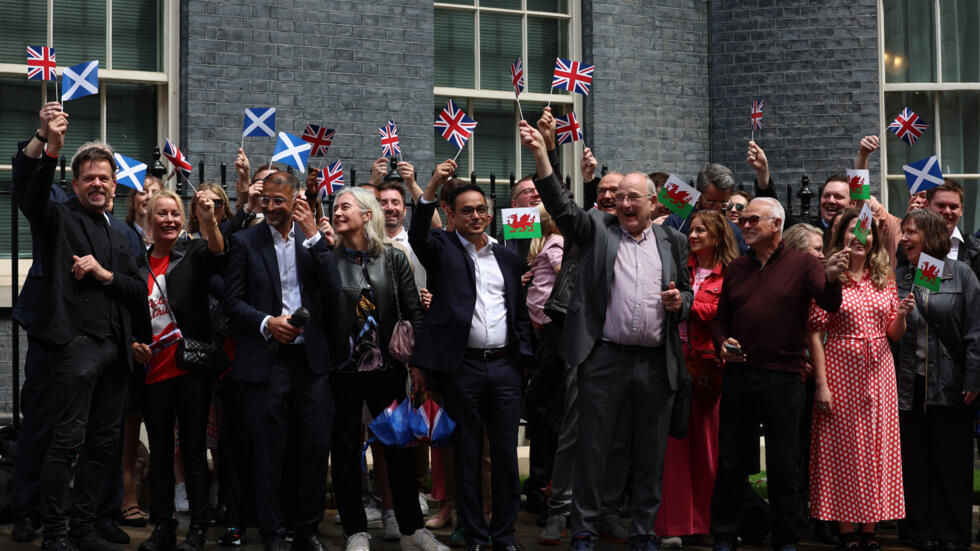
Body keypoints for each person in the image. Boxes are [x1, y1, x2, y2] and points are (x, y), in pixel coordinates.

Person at [519, 120, 693, 551]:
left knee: (648, 453)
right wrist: (543, 154)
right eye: (619, 196)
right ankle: (582, 527)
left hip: (655, 362)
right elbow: (560, 207)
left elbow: (687, 292)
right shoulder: (598, 230)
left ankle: (642, 532)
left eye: (635, 197)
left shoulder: (673, 242)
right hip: (605, 358)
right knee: (592, 448)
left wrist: (681, 303)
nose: (624, 202)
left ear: (654, 204)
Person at [17, 111, 147, 551]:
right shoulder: (57, 218)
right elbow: (31, 198)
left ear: (115, 185)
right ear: (75, 185)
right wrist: (50, 147)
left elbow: (137, 289)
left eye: (104, 178)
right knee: (66, 441)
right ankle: (55, 534)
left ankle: (85, 530)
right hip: (75, 347)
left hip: (116, 353)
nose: (97, 184)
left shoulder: (123, 234)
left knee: (102, 445)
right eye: (89, 178)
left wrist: (104, 275)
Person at [710, 197, 850, 551]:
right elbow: (721, 318)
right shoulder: (738, 268)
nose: (745, 225)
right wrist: (721, 343)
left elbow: (829, 303)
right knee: (731, 461)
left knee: (784, 462)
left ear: (776, 224)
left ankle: (785, 538)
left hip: (783, 377)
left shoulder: (803, 264)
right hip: (740, 375)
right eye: (742, 220)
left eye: (753, 219)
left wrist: (832, 277)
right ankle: (725, 534)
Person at [409, 158, 534, 551]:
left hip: (504, 370)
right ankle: (476, 535)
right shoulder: (442, 248)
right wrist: (430, 186)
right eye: (467, 210)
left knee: (505, 459)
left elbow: (520, 312)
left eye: (482, 209)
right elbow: (416, 234)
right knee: (464, 456)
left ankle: (505, 535)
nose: (476, 216)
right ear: (451, 213)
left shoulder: (508, 259)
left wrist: (523, 357)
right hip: (461, 368)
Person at [224, 171, 342, 551]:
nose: (271, 207)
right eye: (266, 200)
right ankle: (272, 534)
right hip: (267, 360)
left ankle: (307, 530)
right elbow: (232, 303)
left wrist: (314, 238)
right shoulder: (244, 242)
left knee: (313, 448)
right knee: (269, 452)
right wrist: (266, 323)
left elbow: (334, 290)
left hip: (310, 362)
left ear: (296, 202)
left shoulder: (314, 242)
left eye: (279, 201)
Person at [323, 187, 445, 551]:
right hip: (342, 373)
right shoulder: (326, 261)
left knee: (399, 450)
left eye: (345, 206)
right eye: (334, 207)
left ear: (366, 214)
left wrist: (419, 366)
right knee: (345, 452)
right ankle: (355, 532)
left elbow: (413, 311)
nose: (338, 212)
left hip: (386, 369)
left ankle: (411, 530)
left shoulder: (393, 259)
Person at [537, 171, 633, 546]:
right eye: (605, 190)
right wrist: (547, 155)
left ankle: (606, 509)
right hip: (587, 346)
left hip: (628, 348)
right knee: (574, 433)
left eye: (618, 191)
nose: (611, 196)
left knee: (621, 437)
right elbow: (563, 208)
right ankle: (559, 509)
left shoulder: (643, 236)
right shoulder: (587, 227)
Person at [806, 208, 909, 551]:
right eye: (852, 230)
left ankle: (870, 528)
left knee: (878, 447)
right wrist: (821, 383)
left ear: (874, 238)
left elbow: (892, 334)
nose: (859, 237)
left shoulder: (885, 277)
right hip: (839, 370)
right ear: (842, 236)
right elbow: (816, 333)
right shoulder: (828, 277)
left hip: (879, 372)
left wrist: (904, 316)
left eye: (865, 231)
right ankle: (846, 527)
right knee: (844, 448)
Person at [130, 189, 226, 551]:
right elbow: (128, 314)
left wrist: (209, 220)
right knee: (159, 452)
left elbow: (219, 252)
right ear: (148, 221)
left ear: (182, 220)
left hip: (190, 368)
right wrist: (133, 344)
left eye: (174, 214)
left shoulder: (195, 253)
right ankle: (164, 526)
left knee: (193, 447)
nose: (168, 220)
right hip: (154, 371)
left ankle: (199, 527)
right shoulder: (137, 266)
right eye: (161, 214)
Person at [894, 209, 980, 551]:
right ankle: (918, 531)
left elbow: (975, 332)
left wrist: (974, 377)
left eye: (911, 232)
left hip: (950, 384)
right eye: (903, 232)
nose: (904, 238)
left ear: (930, 235)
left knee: (951, 461)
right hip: (908, 386)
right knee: (915, 461)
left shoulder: (961, 275)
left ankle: (952, 533)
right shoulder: (900, 275)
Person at [656, 211, 738, 548]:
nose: (693, 235)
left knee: (707, 449)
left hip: (707, 370)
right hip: (673, 364)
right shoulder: (679, 266)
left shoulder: (732, 274)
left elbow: (722, 313)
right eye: (692, 229)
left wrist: (688, 303)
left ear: (717, 237)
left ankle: (704, 523)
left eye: (702, 230)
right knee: (672, 448)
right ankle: (673, 524)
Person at [663, 163, 747, 253]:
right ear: (699, 195)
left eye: (723, 203)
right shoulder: (676, 224)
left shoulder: (734, 231)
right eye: (711, 202)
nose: (717, 208)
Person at [925, 180, 980, 277]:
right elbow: (925, 288)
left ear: (961, 210)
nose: (947, 211)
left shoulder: (975, 248)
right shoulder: (910, 245)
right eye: (941, 205)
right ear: (926, 206)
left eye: (953, 207)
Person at [125, 175, 164, 247]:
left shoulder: (169, 237)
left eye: (155, 193)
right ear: (132, 202)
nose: (149, 197)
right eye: (143, 193)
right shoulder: (121, 235)